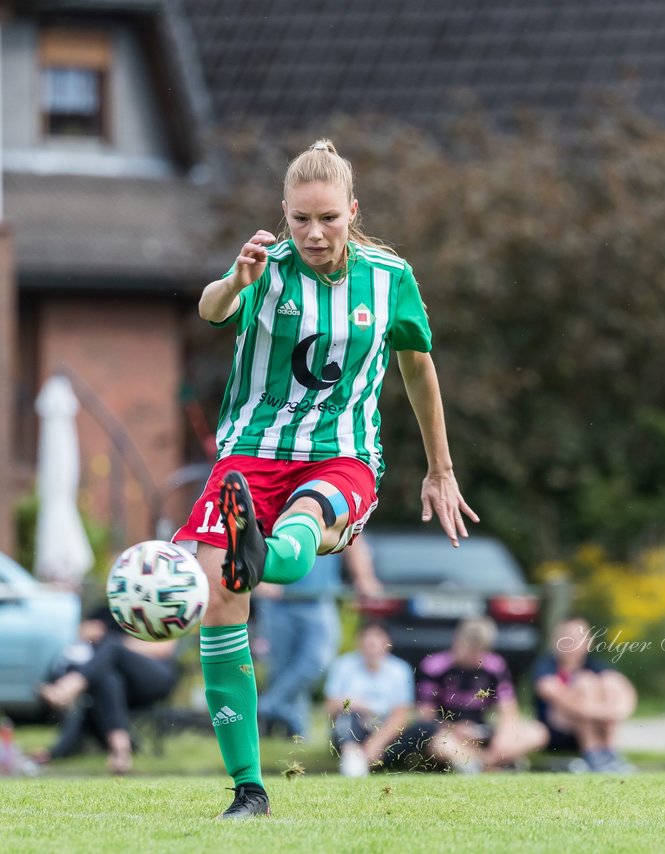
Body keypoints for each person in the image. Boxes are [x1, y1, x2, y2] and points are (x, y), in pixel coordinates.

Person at [174, 139, 479, 818]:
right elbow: (212, 309)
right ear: (283, 214)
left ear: (352, 212)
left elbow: (419, 368)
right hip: (250, 454)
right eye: (301, 219)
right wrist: (237, 280)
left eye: (329, 219)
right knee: (221, 602)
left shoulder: (389, 276)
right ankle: (249, 788)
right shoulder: (264, 268)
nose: (314, 233)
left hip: (342, 454)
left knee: (304, 521)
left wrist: (441, 468)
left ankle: (263, 550)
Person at [256, 537, 379, 740]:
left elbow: (355, 538)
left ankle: (265, 707)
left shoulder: (327, 505)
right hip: (277, 601)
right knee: (281, 669)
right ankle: (295, 734)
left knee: (316, 662)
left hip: (319, 598)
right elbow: (253, 534)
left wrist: (365, 576)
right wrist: (259, 576)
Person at [33, 604, 180, 774]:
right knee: (107, 679)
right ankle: (121, 751)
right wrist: (85, 633)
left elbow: (163, 648)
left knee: (112, 646)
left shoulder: (160, 606)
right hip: (121, 685)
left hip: (154, 677)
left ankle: (67, 688)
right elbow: (81, 639)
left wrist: (118, 642)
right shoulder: (108, 610)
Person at [406, 617, 548, 773]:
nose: (475, 656)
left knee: (537, 732)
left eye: (480, 650)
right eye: (470, 649)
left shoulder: (494, 666)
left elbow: (509, 711)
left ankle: (483, 763)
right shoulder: (434, 666)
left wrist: (503, 735)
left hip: (483, 733)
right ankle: (494, 764)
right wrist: (454, 729)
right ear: (457, 641)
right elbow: (425, 717)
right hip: (449, 734)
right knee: (439, 743)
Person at [533, 616, 638, 773]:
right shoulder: (548, 665)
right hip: (558, 731)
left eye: (578, 638)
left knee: (607, 683)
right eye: (566, 638)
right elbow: (549, 690)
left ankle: (609, 752)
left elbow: (624, 690)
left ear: (589, 641)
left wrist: (614, 712)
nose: (572, 643)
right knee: (585, 683)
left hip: (599, 724)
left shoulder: (595, 664)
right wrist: (595, 711)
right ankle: (595, 754)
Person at [323, 621, 414, 777]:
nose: (370, 643)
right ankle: (353, 757)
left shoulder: (400, 670)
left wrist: (377, 742)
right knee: (346, 718)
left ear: (388, 643)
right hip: (353, 727)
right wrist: (351, 704)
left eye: (377, 637)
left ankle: (360, 761)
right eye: (366, 637)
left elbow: (402, 715)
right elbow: (330, 707)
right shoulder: (343, 665)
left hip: (385, 731)